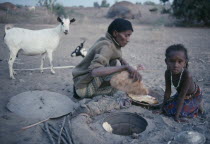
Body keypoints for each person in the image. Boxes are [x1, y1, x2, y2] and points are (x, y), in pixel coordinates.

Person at [72, 18, 142, 99]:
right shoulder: (107, 47)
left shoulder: (108, 41)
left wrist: (130, 68)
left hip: (80, 81)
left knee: (118, 67)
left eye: (129, 36)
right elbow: (94, 71)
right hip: (83, 88)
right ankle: (82, 93)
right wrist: (124, 68)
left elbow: (119, 57)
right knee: (119, 88)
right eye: (126, 35)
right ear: (115, 33)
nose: (128, 39)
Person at [162, 44, 204, 122]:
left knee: (175, 112)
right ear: (166, 61)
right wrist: (161, 109)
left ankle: (199, 103)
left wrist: (176, 117)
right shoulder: (168, 72)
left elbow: (181, 97)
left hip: (193, 95)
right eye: (172, 61)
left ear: (185, 63)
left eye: (180, 62)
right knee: (166, 108)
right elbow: (168, 92)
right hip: (180, 94)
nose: (175, 65)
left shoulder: (187, 75)